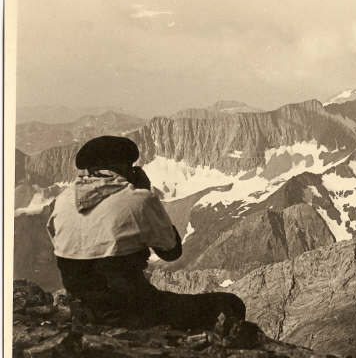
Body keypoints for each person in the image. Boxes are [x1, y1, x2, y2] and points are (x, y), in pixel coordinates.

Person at [47, 136, 245, 329]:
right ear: (125, 167)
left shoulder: (62, 199)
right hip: (132, 311)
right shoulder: (138, 199)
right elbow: (171, 252)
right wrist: (145, 190)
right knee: (230, 304)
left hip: (81, 310)